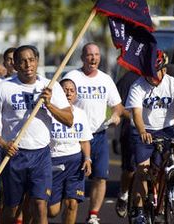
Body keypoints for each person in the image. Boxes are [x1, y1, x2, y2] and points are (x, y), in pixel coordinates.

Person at [0, 45, 73, 224]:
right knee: (12, 208)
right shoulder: (3, 88)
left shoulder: (49, 86)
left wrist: (49, 104)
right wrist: (2, 143)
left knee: (40, 205)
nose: (28, 64)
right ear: (14, 65)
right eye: (22, 61)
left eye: (31, 60)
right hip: (14, 155)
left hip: (41, 155)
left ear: (37, 61)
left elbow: (69, 119)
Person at [126, 52, 174, 224]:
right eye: (149, 72)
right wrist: (143, 131)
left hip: (166, 130)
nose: (152, 76)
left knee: (172, 161)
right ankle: (140, 211)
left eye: (156, 71)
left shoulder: (173, 84)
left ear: (164, 70)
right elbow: (136, 113)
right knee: (143, 171)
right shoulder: (138, 86)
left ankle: (170, 192)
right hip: (144, 130)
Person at [62, 42, 124, 224]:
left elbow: (118, 106)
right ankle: (69, 211)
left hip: (99, 135)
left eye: (96, 55)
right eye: (89, 55)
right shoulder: (72, 76)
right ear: (82, 57)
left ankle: (93, 215)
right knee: (74, 177)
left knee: (101, 177)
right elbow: (60, 102)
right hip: (75, 137)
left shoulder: (105, 79)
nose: (93, 58)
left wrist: (115, 115)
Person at [48, 78, 92, 224]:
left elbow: (84, 140)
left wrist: (87, 158)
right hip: (53, 162)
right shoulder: (49, 112)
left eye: (72, 90)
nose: (68, 93)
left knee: (72, 204)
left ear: (76, 95)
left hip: (75, 163)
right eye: (64, 90)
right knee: (52, 211)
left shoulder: (80, 114)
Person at [114, 71, 140, 218]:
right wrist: (138, 118)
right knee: (130, 169)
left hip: (155, 131)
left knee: (158, 167)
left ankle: (160, 205)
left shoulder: (159, 78)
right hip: (131, 131)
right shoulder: (128, 79)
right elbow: (118, 107)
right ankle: (124, 195)